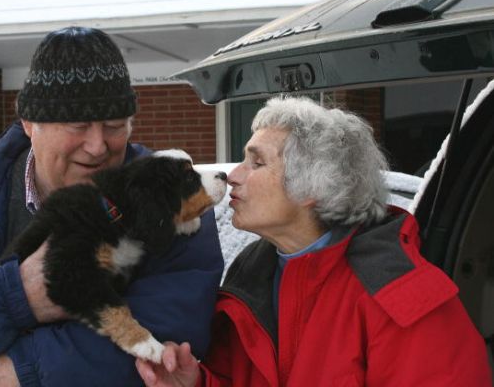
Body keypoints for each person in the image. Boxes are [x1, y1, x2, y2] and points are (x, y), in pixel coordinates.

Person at [0, 27, 224, 387]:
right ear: (29, 124)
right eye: (77, 125)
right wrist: (17, 295)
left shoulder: (170, 198)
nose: (98, 145)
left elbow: (174, 331)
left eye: (114, 125)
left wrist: (18, 373)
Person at [136, 96, 492, 386]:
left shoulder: (400, 295)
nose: (233, 176)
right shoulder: (248, 282)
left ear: (312, 188)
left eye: (256, 163)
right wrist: (195, 384)